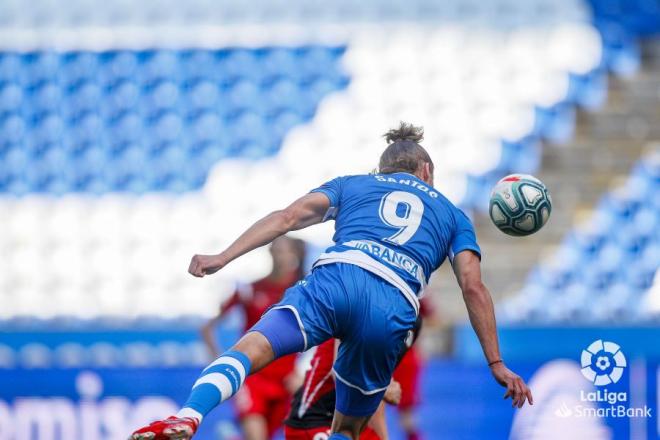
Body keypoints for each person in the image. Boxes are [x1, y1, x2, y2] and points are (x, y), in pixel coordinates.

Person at [130, 122, 533, 440]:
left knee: (248, 348)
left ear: (382, 171)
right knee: (346, 429)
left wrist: (223, 257)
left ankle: (188, 416)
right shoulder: (453, 214)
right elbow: (472, 287)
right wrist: (496, 363)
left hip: (335, 280)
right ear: (427, 171)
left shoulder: (353, 184)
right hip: (391, 307)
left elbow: (287, 218)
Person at [200, 236, 306, 440]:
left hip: (286, 380)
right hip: (253, 377)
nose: (280, 256)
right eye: (276, 250)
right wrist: (220, 362)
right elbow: (207, 328)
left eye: (285, 251)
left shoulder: (301, 292)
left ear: (295, 255)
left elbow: (326, 334)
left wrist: (302, 371)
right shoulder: (249, 290)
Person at [284, 316, 422, 440]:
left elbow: (376, 395)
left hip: (352, 422)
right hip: (314, 419)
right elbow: (340, 374)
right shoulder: (359, 306)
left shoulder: (412, 323)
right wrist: (383, 389)